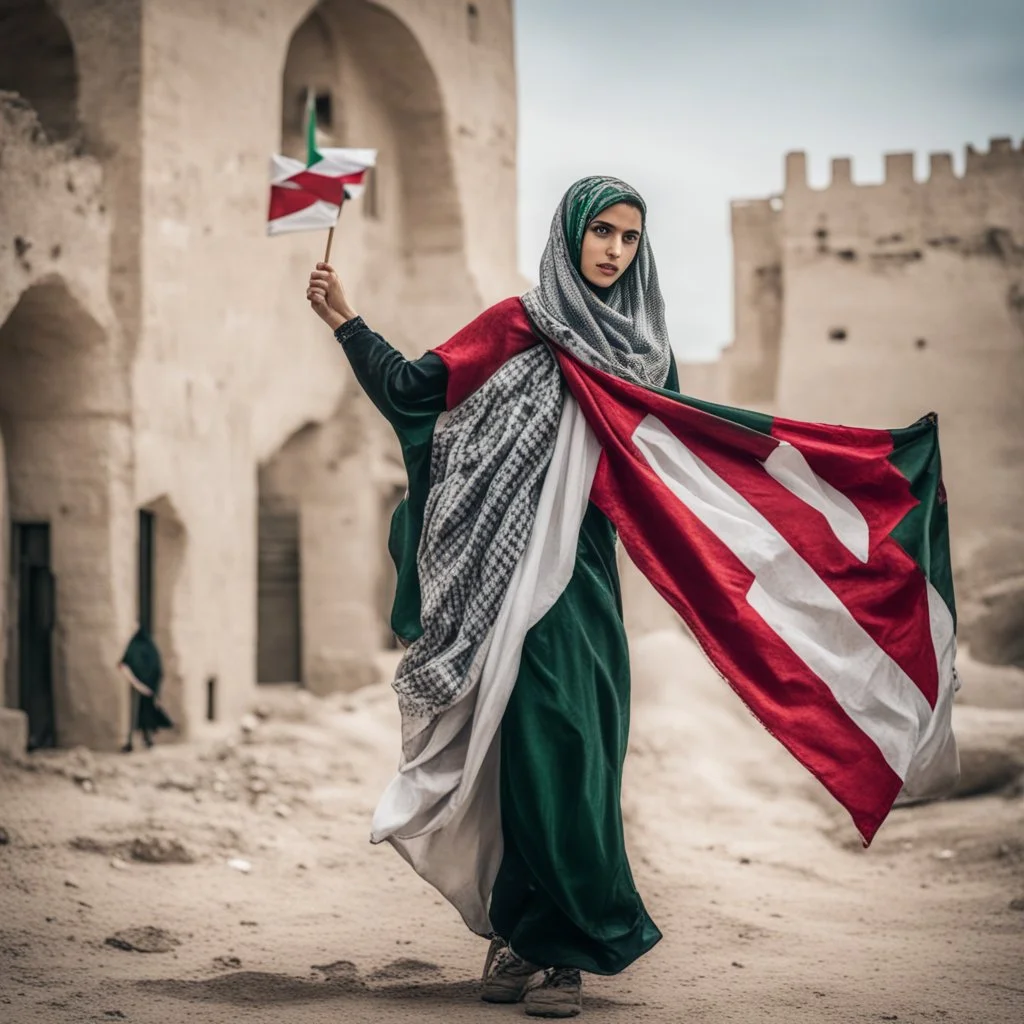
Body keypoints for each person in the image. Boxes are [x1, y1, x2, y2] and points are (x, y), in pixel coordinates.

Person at [307, 176, 676, 1019]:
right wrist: (345, 320)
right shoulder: (517, 325)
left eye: (629, 237)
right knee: (519, 753)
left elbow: (668, 471)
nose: (615, 250)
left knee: (576, 753)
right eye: (603, 232)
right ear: (572, 234)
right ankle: (525, 938)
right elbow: (413, 395)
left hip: (582, 584)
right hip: (500, 582)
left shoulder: (648, 355)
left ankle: (565, 949)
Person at [118, 625, 173, 752]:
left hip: (137, 688)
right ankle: (145, 740)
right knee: (146, 713)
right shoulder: (152, 649)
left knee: (136, 713)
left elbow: (124, 663)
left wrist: (137, 683)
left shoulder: (133, 647)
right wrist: (153, 688)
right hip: (149, 689)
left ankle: (133, 741)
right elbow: (158, 669)